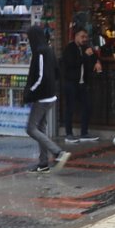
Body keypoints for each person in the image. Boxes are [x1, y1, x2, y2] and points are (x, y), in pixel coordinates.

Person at [23, 25, 70, 173]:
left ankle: (58, 152)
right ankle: (43, 163)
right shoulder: (49, 50)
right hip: (50, 95)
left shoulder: (41, 52)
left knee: (31, 128)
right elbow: (56, 72)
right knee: (40, 129)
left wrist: (30, 92)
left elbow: (42, 76)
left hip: (43, 97)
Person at [61, 28, 102, 143]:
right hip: (71, 83)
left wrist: (97, 62)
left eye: (86, 37)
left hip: (82, 83)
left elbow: (94, 56)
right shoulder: (69, 49)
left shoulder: (86, 48)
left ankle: (84, 133)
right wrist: (84, 56)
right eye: (82, 37)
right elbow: (72, 64)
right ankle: (68, 134)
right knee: (70, 108)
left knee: (87, 106)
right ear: (76, 36)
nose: (85, 39)